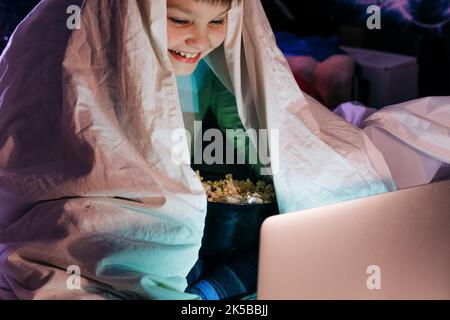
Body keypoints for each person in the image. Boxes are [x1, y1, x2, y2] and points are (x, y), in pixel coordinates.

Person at [0, 0, 400, 300]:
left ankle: (209, 292)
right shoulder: (72, 46)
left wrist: (277, 168)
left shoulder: (204, 61)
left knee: (304, 226)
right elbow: (65, 171)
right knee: (131, 244)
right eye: (179, 20)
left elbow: (245, 110)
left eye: (218, 21)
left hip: (200, 209)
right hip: (116, 203)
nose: (201, 39)